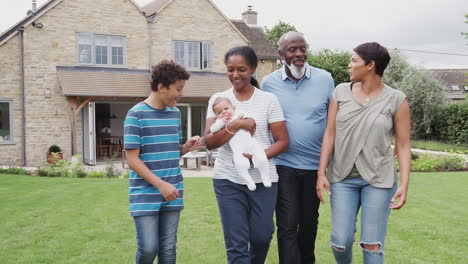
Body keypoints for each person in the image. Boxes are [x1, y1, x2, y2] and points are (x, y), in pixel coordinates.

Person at [316, 42, 411, 264]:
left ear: (370, 65)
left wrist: (405, 184)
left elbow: (404, 145)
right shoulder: (340, 92)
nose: (349, 65)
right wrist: (321, 173)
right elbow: (329, 134)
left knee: (372, 246)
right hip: (342, 178)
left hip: (379, 180)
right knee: (340, 241)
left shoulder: (397, 99)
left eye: (354, 60)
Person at [204, 46, 289, 264]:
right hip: (228, 179)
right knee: (236, 243)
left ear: (252, 69)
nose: (235, 74)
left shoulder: (268, 100)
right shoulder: (219, 99)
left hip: (264, 180)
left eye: (241, 69)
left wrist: (257, 155)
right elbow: (210, 142)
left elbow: (282, 142)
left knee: (261, 237)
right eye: (230, 69)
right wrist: (237, 124)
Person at [261, 31, 335, 264]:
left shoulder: (325, 79)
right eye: (292, 50)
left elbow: (333, 123)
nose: (299, 54)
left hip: (315, 167)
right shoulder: (268, 83)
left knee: (309, 225)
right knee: (286, 225)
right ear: (281, 54)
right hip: (284, 165)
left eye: (302, 48)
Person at [124, 60, 203, 264]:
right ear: (161, 87)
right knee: (149, 249)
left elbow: (171, 150)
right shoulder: (135, 115)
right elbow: (132, 159)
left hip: (172, 191)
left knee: (168, 250)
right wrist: (160, 185)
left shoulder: (175, 114)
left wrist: (186, 147)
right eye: (178, 89)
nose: (180, 94)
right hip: (146, 193)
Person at [210, 97, 271, 191]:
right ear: (217, 116)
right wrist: (222, 122)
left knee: (262, 158)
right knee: (240, 164)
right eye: (219, 112)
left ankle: (265, 176)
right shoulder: (220, 122)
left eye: (226, 109)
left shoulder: (238, 114)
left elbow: (252, 120)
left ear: (233, 108)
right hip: (238, 149)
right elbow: (213, 130)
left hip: (252, 144)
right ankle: (248, 180)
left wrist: (244, 117)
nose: (224, 112)